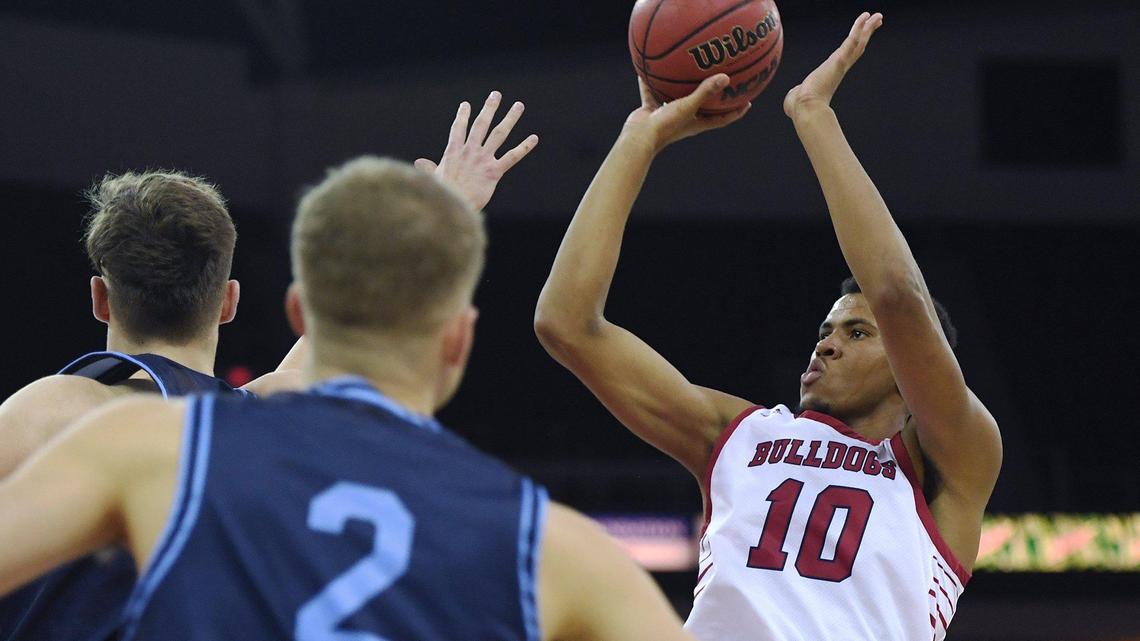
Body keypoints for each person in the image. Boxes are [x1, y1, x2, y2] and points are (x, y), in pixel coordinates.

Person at [0, 155, 696, 641]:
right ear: (459, 339)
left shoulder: (87, 424)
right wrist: (441, 209)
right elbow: (344, 338)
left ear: (100, 295)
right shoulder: (539, 535)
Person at [534, 13, 1001, 640]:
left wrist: (814, 115)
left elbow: (896, 294)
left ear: (912, 367)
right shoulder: (739, 436)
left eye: (857, 334)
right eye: (826, 331)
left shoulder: (949, 461)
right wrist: (637, 141)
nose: (827, 344)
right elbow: (566, 323)